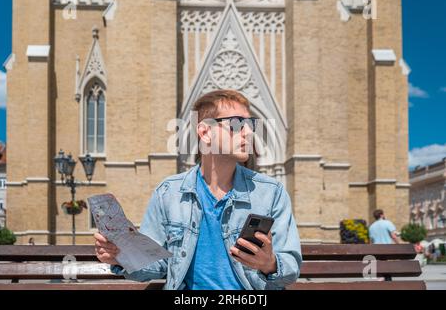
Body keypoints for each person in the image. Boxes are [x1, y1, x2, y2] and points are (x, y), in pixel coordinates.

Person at [94, 90, 302, 290]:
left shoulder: (271, 192)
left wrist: (270, 263)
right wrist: (122, 256)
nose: (248, 132)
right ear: (205, 132)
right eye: (237, 124)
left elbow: (290, 267)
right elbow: (157, 266)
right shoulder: (168, 193)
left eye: (250, 124)